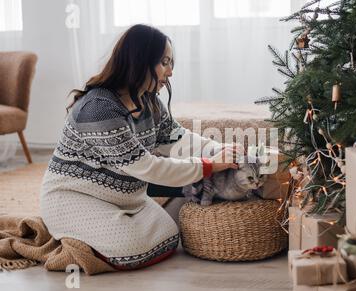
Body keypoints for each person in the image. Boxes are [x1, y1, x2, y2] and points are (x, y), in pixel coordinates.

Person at [40, 24, 241, 271]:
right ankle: (75, 241)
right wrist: (209, 165)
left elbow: (178, 139)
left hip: (127, 201)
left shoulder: (149, 101)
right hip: (74, 198)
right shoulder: (99, 108)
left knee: (170, 236)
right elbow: (146, 167)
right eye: (164, 62)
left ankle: (102, 238)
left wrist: (219, 149)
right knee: (132, 250)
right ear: (141, 61)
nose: (170, 72)